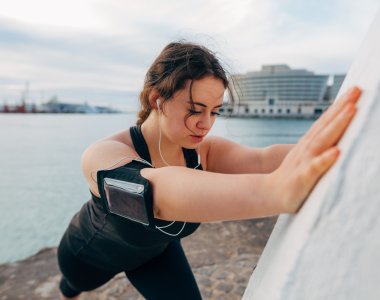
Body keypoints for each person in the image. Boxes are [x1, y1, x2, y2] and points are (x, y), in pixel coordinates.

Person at [57, 41, 362, 299]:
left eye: (214, 111)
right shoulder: (103, 154)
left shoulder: (204, 151)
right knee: (72, 287)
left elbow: (261, 160)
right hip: (89, 255)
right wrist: (275, 191)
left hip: (156, 253)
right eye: (194, 110)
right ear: (156, 99)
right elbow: (152, 194)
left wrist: (340, 147)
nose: (206, 123)